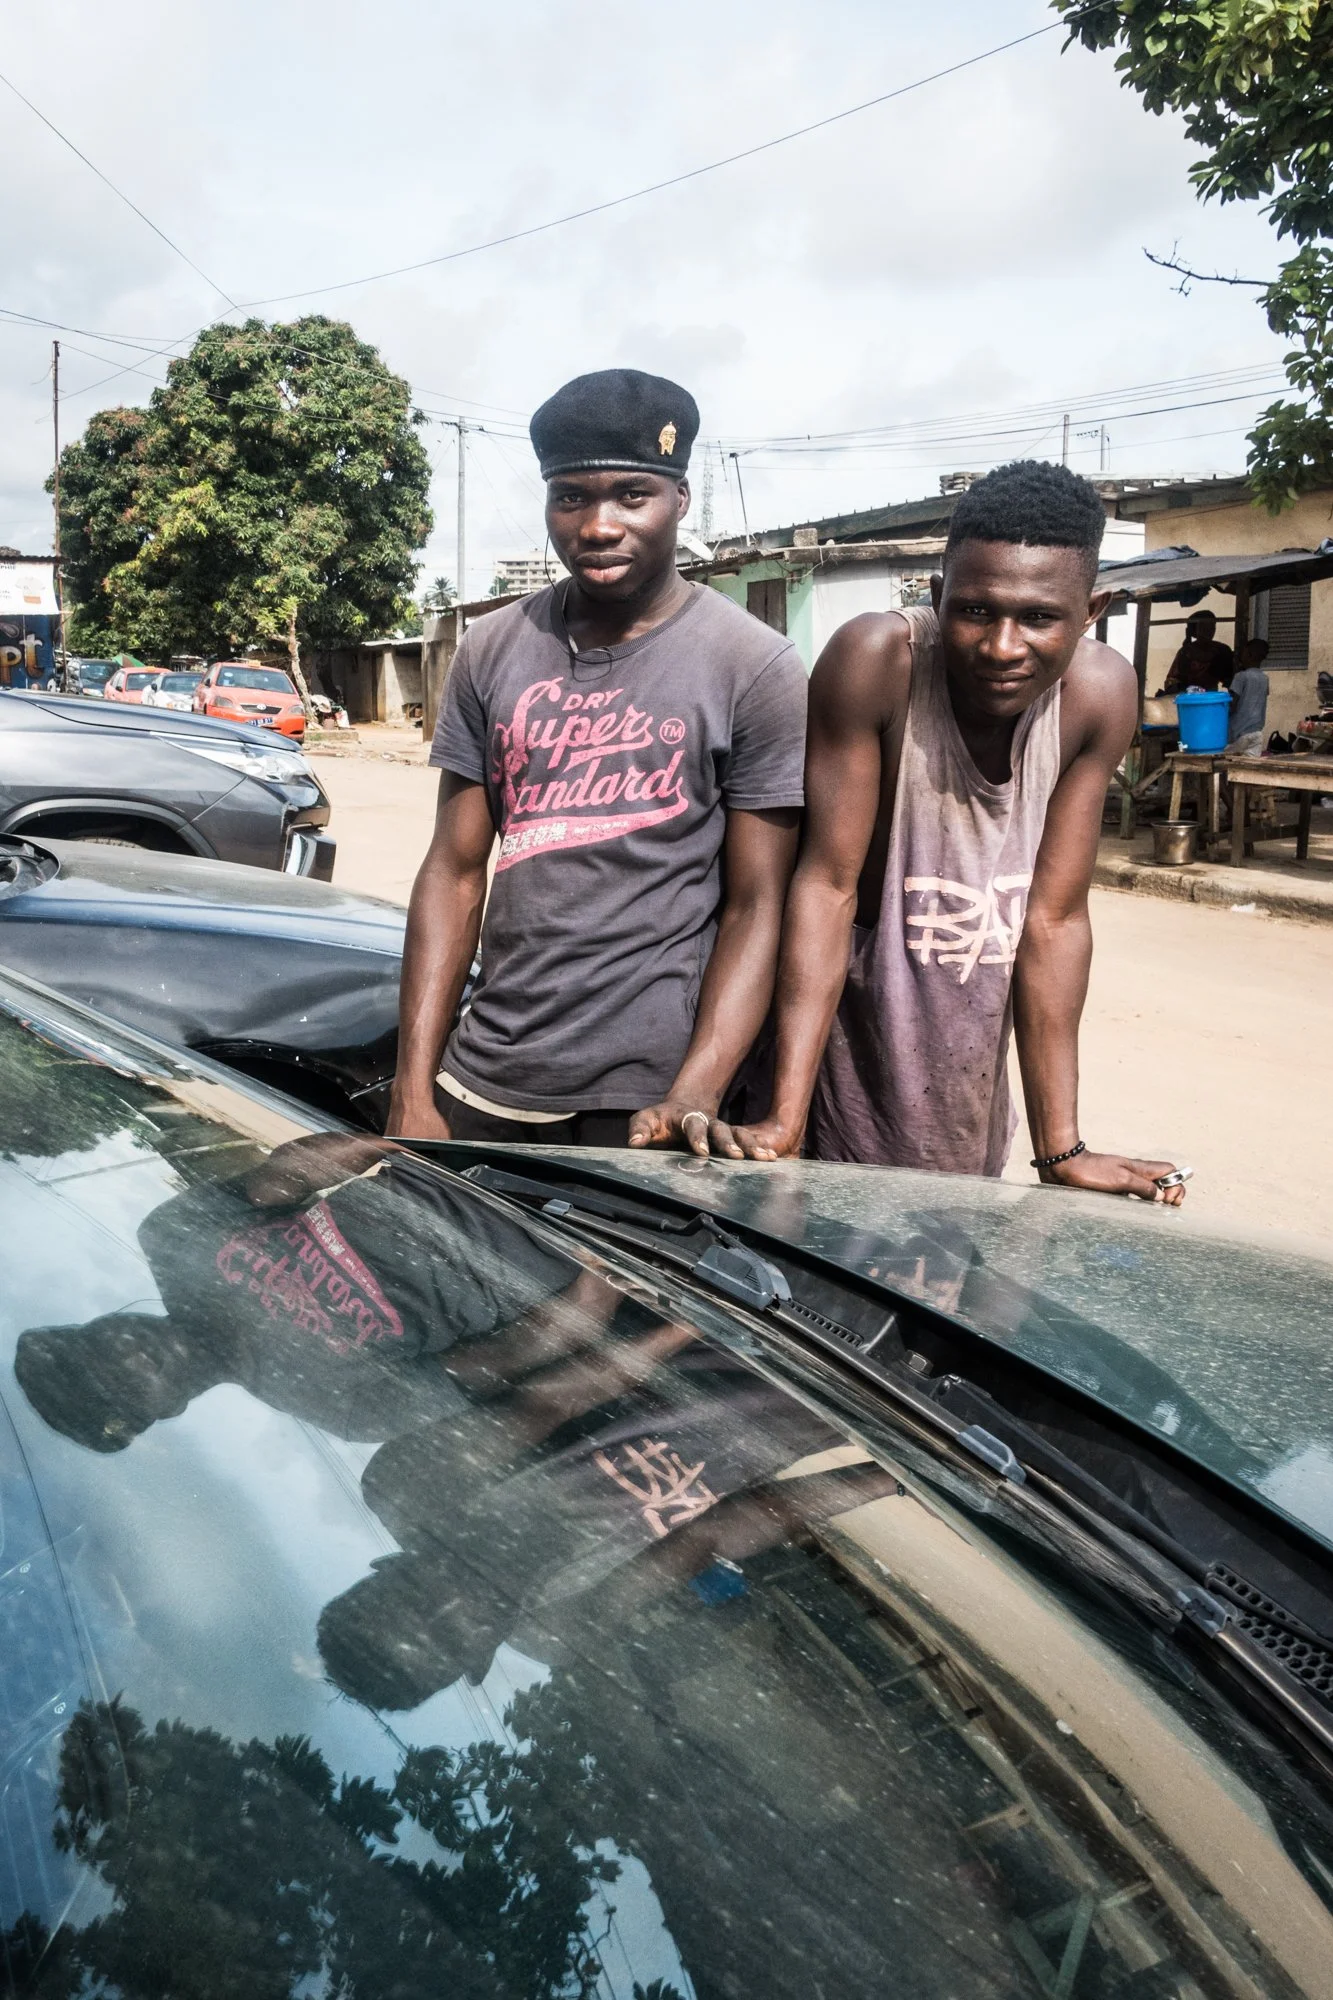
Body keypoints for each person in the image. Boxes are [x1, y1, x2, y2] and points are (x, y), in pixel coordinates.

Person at [696, 459, 1186, 1203]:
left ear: (1091, 613)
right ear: (935, 595)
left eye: (1040, 618)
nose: (1002, 646)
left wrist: (1062, 1148)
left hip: (966, 1075)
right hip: (842, 1054)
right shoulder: (876, 662)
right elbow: (825, 885)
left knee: (945, 1258)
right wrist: (783, 1116)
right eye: (977, 611)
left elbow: (1052, 920)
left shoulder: (1099, 695)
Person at [386, 368, 807, 1153]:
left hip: (648, 1102)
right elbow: (453, 870)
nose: (598, 525)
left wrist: (697, 1088)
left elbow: (758, 905)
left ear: (680, 499)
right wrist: (414, 1089)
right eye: (570, 497)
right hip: (484, 1077)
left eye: (630, 495)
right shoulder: (493, 649)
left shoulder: (752, 666)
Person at [1162, 609, 1235, 694]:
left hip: (1211, 697)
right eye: (1203, 627)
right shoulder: (1185, 652)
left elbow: (1230, 679)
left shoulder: (1221, 649)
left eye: (1212, 627)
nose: (1209, 631)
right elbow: (1172, 681)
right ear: (1195, 629)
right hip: (1189, 697)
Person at [1227, 636, 1270, 756]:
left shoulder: (1240, 677)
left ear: (1249, 655)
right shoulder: (1264, 678)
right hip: (1257, 733)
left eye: (1243, 653)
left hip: (1238, 733)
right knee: (1249, 768)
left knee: (1227, 765)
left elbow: (1232, 704)